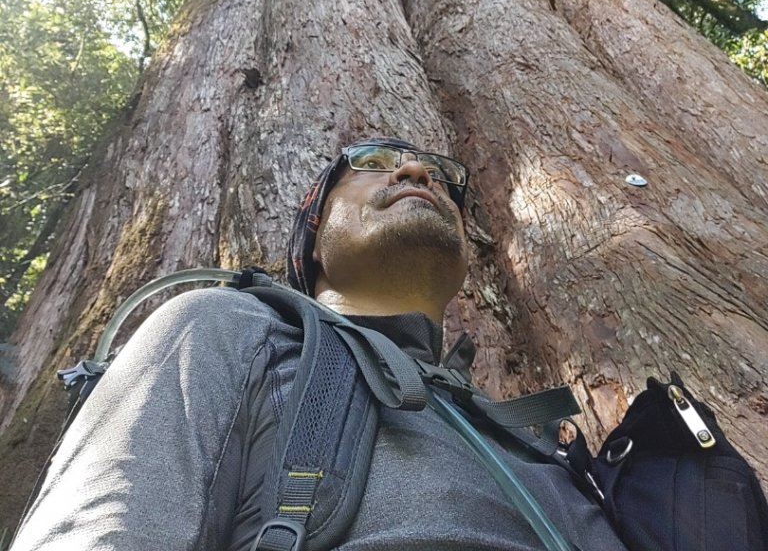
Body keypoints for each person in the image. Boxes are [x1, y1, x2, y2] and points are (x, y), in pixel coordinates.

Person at [10, 137, 637, 549]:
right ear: (312, 239)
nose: (419, 172)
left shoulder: (532, 442)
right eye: (368, 164)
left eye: (445, 181)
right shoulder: (223, 326)